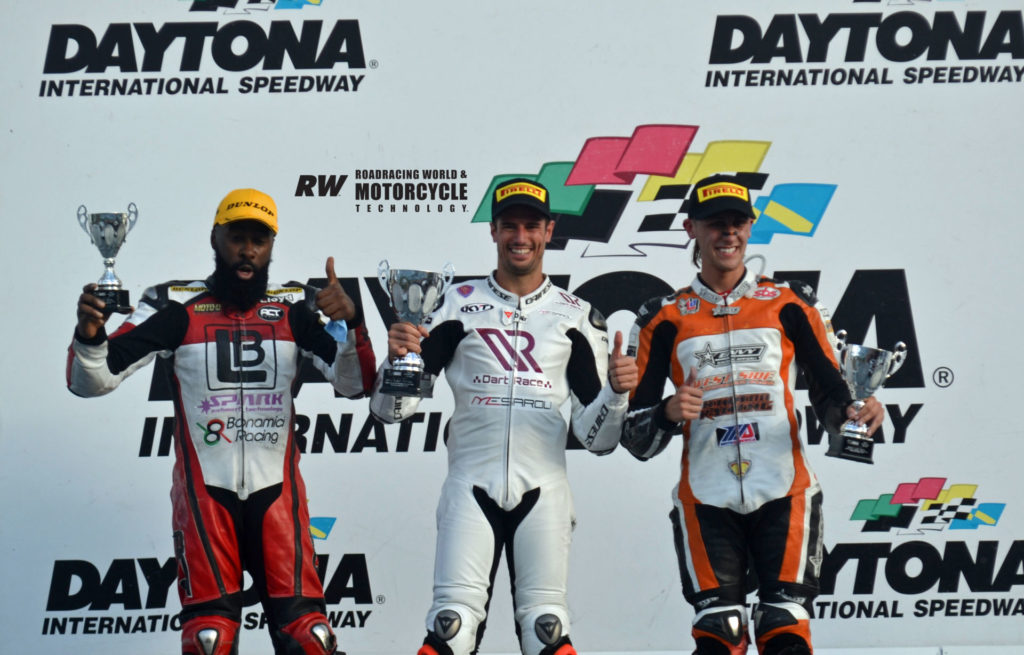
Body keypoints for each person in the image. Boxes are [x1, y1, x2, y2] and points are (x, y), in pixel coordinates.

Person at [66, 188, 376, 655]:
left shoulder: (296, 307)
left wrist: (353, 326)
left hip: (279, 501)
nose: (247, 251)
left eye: (259, 239)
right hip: (205, 500)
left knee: (309, 639)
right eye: (236, 237)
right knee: (209, 640)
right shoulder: (174, 305)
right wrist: (90, 337)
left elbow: (355, 384)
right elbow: (91, 380)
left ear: (272, 246)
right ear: (215, 237)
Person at [370, 178, 638, 655]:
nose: (521, 236)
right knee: (451, 628)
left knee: (546, 630)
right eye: (509, 225)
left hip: (545, 491)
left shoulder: (577, 317)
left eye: (532, 225)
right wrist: (399, 364)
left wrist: (616, 396)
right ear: (492, 231)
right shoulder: (452, 305)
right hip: (469, 487)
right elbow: (394, 412)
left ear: (549, 231)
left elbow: (596, 439)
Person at [621, 174, 884, 655]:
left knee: (785, 631)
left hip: (784, 489)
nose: (728, 233)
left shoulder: (789, 303)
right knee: (720, 635)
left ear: (750, 228)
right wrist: (665, 412)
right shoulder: (663, 317)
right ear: (690, 229)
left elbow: (830, 392)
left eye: (738, 222)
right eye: (715, 223)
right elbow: (635, 437)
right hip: (706, 495)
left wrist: (857, 409)